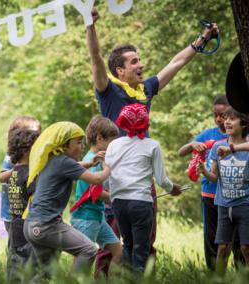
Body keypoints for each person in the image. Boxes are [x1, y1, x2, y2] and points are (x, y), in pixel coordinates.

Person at [86, 7, 219, 275]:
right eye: (134, 62)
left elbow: (176, 63)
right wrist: (90, 25)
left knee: (147, 241)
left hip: (143, 178)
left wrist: (202, 39)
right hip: (116, 177)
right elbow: (95, 58)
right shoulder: (108, 91)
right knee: (112, 244)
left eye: (140, 60)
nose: (141, 65)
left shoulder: (145, 89)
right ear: (120, 70)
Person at [23, 121, 111, 281]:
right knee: (89, 249)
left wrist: (91, 163)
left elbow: (75, 165)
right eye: (78, 142)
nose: (82, 146)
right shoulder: (64, 162)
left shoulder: (53, 159)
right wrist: (107, 169)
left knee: (47, 273)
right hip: (46, 225)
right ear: (63, 146)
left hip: (31, 225)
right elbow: (97, 179)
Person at [105, 104, 182, 274]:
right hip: (141, 203)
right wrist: (173, 189)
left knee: (128, 246)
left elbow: (106, 180)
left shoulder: (113, 145)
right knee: (141, 251)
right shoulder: (152, 145)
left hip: (118, 204)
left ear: (122, 122)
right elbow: (161, 180)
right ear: (145, 123)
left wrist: (116, 193)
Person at [178, 94, 245, 270]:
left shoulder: (242, 136)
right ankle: (213, 275)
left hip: (236, 196)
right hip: (210, 194)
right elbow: (181, 152)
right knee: (214, 239)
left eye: (223, 115)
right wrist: (193, 144)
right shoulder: (208, 134)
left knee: (240, 241)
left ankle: (241, 275)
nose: (219, 119)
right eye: (215, 115)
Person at [196, 106, 249, 271]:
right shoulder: (217, 146)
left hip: (245, 205)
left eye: (232, 119)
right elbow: (214, 177)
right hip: (224, 206)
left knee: (246, 248)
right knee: (222, 248)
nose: (226, 122)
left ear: (244, 124)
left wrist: (231, 149)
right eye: (226, 118)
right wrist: (203, 171)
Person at [70, 116, 122, 282]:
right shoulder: (89, 161)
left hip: (97, 219)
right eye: (112, 141)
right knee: (81, 264)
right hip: (86, 219)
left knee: (119, 253)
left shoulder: (98, 159)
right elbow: (96, 193)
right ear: (100, 138)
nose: (114, 145)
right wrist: (121, 199)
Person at [0, 116, 41, 281]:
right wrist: (19, 169)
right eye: (32, 133)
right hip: (12, 212)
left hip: (25, 212)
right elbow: (2, 177)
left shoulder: (35, 158)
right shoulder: (11, 157)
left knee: (25, 250)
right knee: (16, 249)